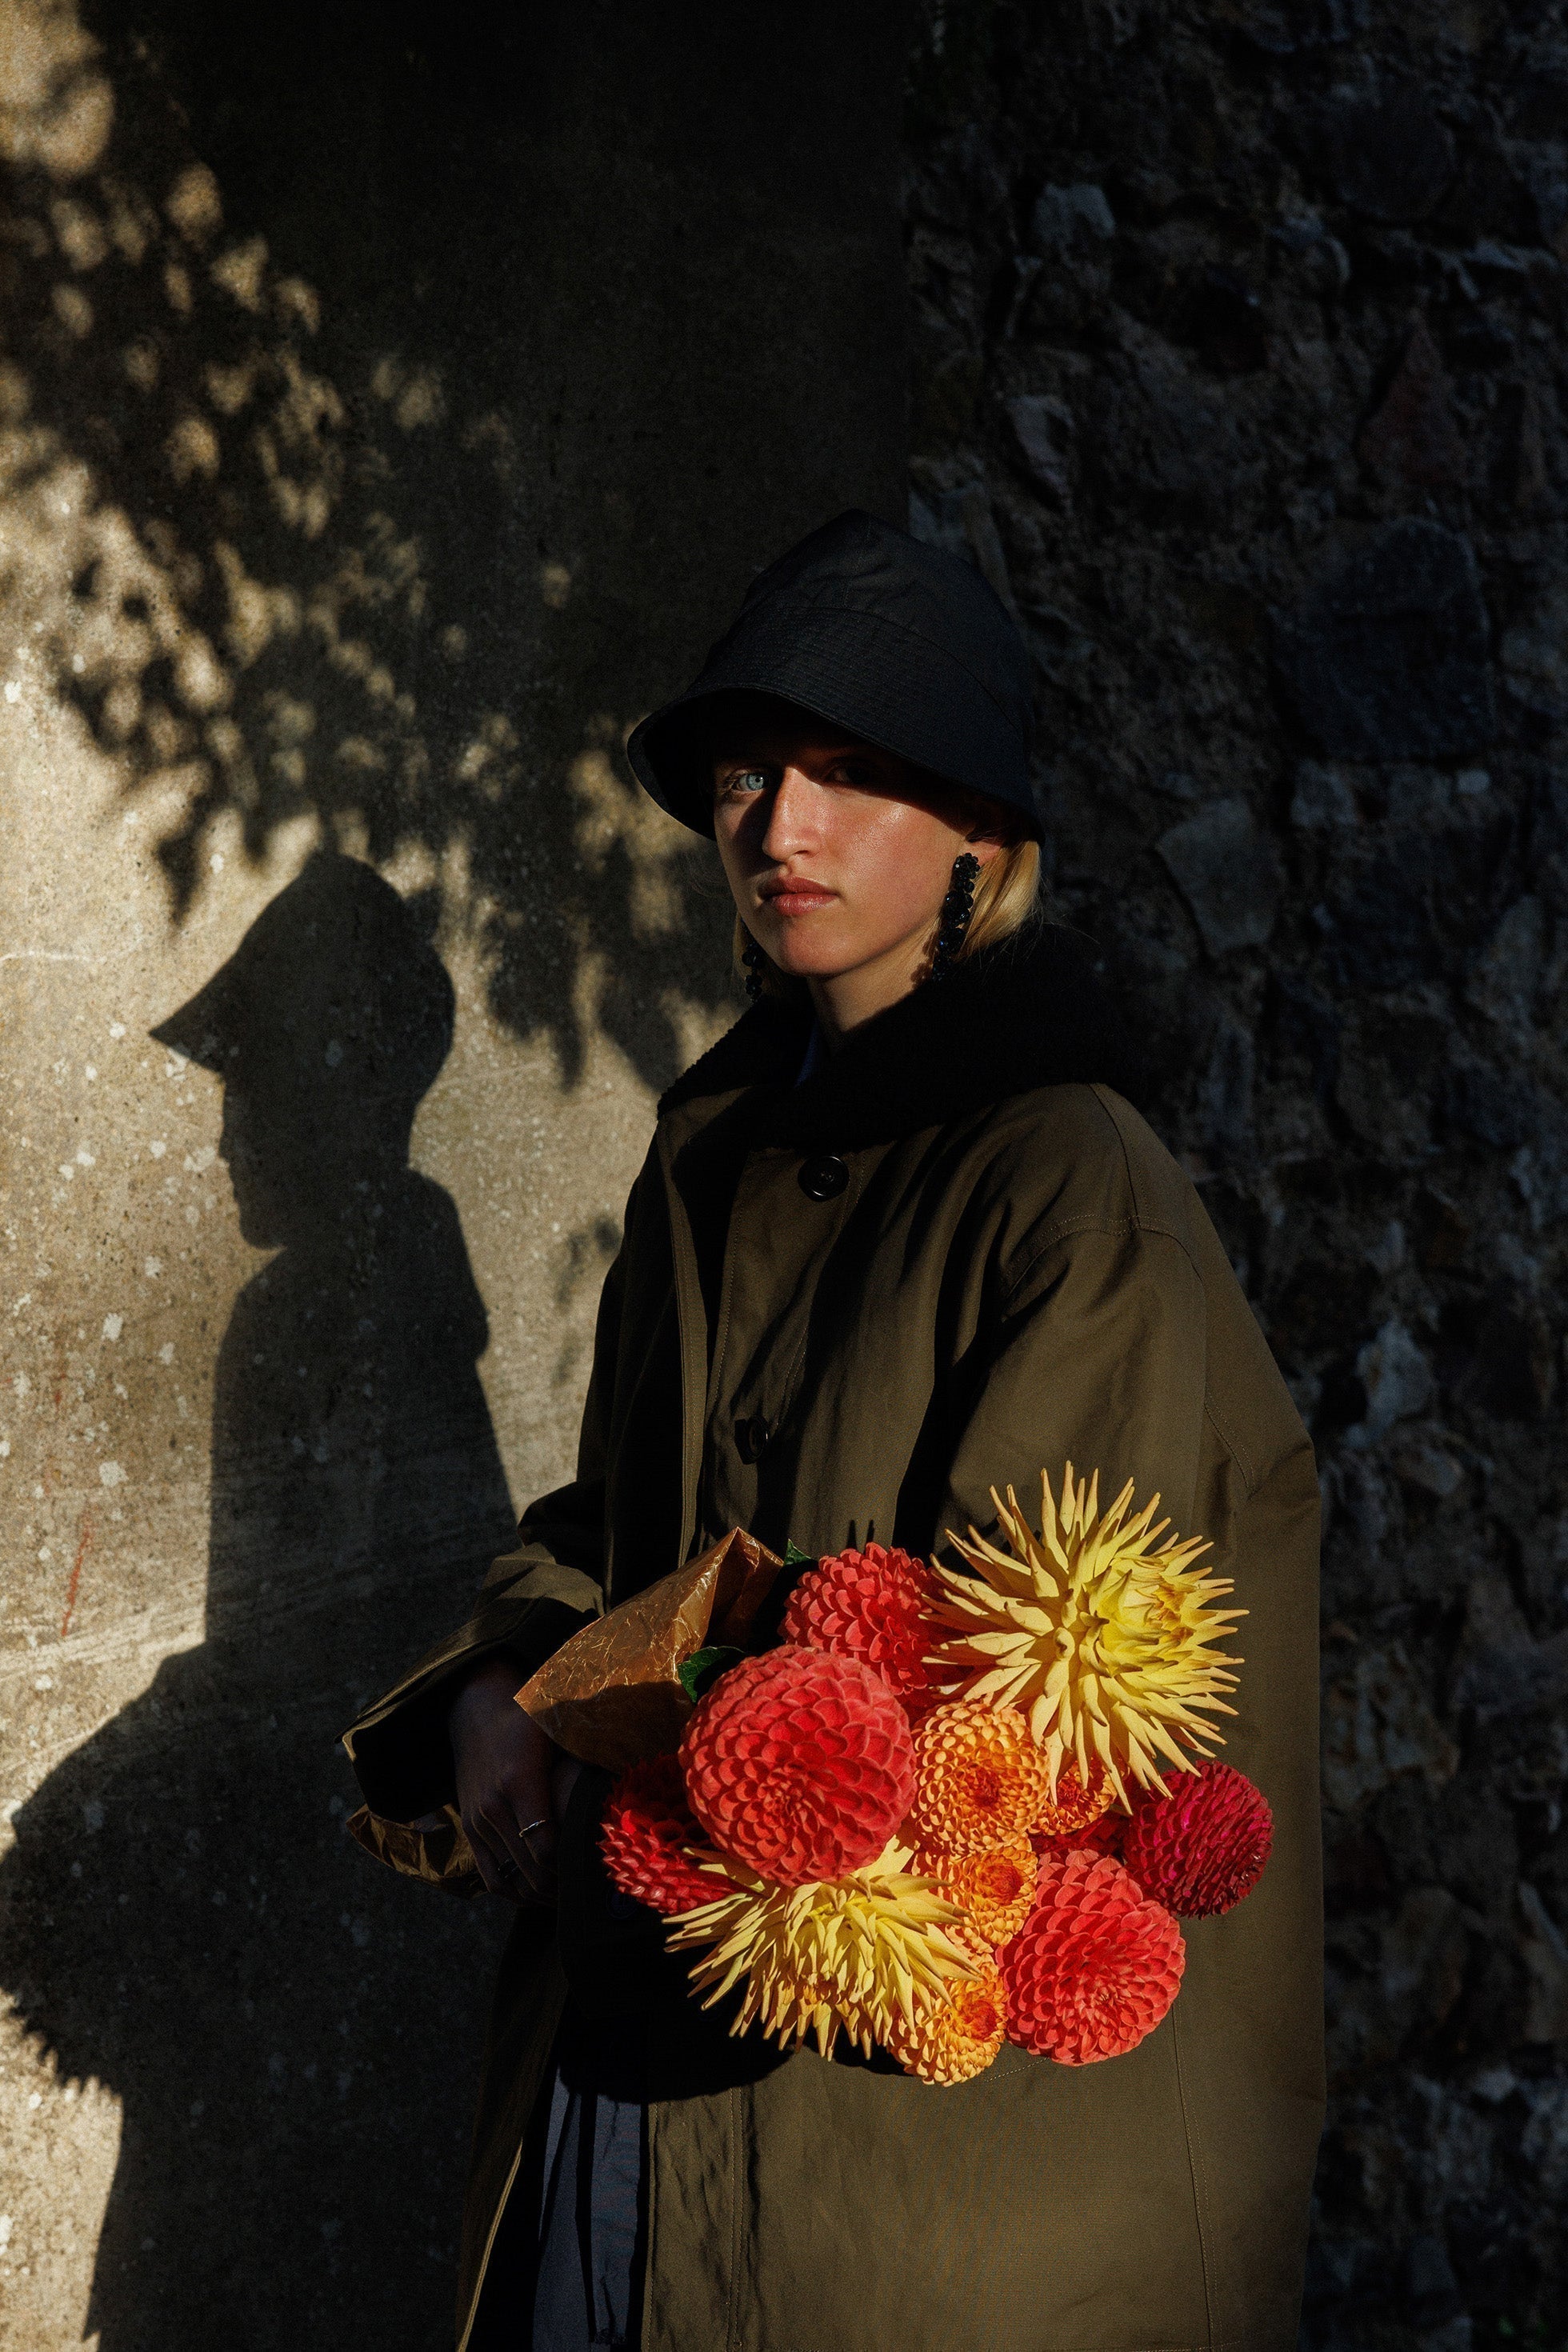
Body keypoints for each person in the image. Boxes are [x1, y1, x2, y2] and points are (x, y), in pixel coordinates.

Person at [344, 510, 1324, 2352]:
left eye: (851, 773)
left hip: (907, 2177)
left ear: (981, 837)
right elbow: (624, 1516)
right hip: (628, 2061)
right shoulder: (715, 1145)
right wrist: (502, 1681)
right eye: (745, 775)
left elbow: (1014, 1717)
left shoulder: (1064, 1180)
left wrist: (630, 1709)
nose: (778, 827)